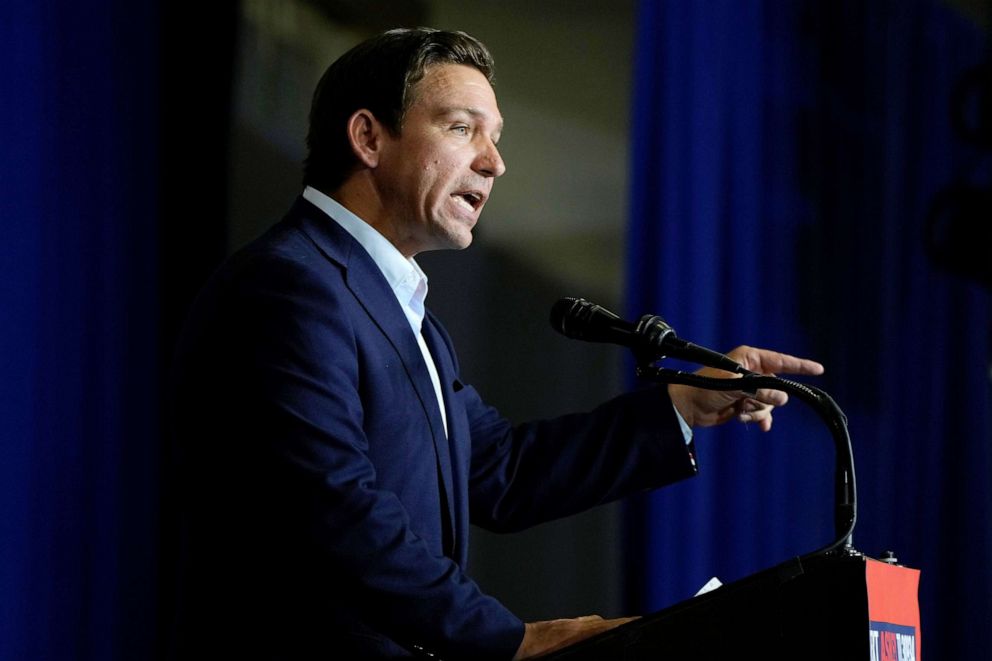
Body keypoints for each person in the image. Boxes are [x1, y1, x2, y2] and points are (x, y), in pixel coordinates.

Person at [168, 27, 824, 660]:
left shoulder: (408, 317)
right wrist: (505, 637)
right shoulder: (289, 285)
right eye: (462, 128)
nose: (495, 160)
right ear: (368, 136)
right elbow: (333, 509)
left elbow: (503, 472)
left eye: (496, 136)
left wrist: (682, 403)